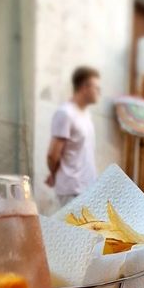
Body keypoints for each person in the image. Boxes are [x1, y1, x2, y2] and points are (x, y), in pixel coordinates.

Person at [45, 66, 101, 206]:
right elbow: (53, 154)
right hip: (72, 190)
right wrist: (54, 174)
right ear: (84, 87)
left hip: (87, 188)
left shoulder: (86, 114)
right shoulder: (65, 113)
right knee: (71, 228)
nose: (99, 92)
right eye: (96, 88)